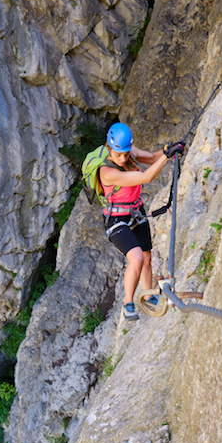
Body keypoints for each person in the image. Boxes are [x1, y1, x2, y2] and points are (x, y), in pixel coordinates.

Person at [97, 122, 184, 321]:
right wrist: (166, 156)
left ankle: (149, 294)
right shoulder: (107, 172)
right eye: (118, 154)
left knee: (146, 258)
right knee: (135, 258)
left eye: (125, 154)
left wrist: (167, 151)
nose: (122, 158)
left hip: (136, 213)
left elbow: (153, 158)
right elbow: (146, 177)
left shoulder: (130, 152)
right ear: (109, 148)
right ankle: (128, 304)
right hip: (116, 219)